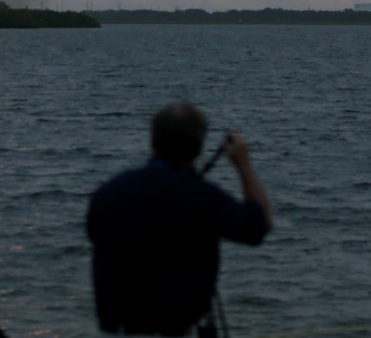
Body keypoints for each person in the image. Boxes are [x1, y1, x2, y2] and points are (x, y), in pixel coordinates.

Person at [87, 102, 272, 336]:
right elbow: (259, 226)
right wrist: (244, 165)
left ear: (152, 141)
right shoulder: (203, 197)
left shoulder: (106, 195)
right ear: (198, 149)